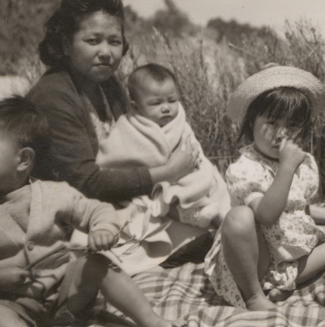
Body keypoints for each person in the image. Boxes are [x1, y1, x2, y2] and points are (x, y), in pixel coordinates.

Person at [0, 96, 184, 327]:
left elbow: (95, 210)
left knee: (98, 264)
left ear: (24, 159)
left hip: (65, 295)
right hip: (9, 301)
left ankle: (151, 321)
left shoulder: (55, 194)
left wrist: (103, 227)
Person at [25, 0, 205, 273]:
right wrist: (168, 172)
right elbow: (85, 183)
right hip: (68, 222)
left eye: (114, 41)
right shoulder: (53, 96)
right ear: (66, 44)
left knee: (204, 230)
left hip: (112, 209)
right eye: (93, 40)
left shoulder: (108, 86)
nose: (106, 53)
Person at [204, 65, 325, 311]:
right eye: (271, 122)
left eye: (292, 125)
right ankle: (254, 297)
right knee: (238, 217)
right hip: (256, 261)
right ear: (252, 121)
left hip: (295, 258)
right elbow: (266, 215)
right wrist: (286, 169)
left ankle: (300, 286)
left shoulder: (302, 163)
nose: (281, 134)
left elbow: (298, 209)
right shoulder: (244, 169)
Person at [96, 63, 230, 231]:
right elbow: (112, 159)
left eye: (172, 100)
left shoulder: (179, 123)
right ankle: (191, 215)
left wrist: (195, 166)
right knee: (164, 196)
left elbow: (193, 150)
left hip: (185, 173)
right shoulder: (129, 127)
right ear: (136, 107)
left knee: (207, 179)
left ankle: (220, 216)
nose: (166, 108)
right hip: (155, 183)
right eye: (156, 103)